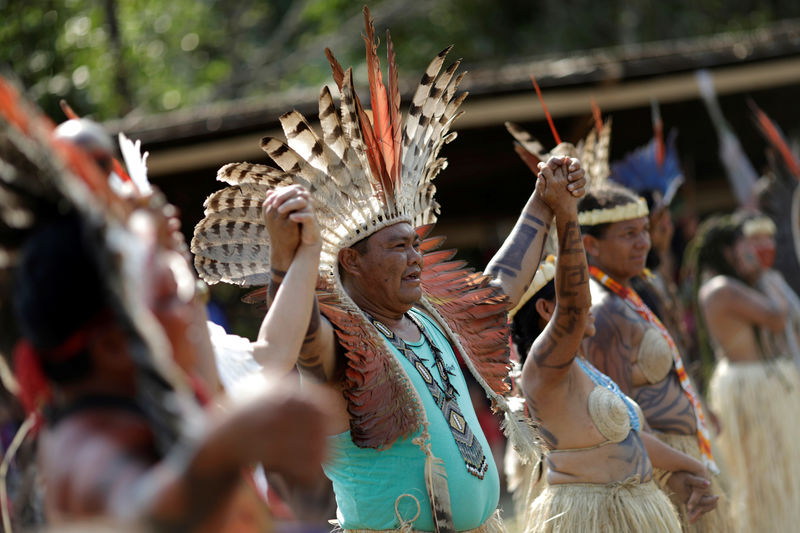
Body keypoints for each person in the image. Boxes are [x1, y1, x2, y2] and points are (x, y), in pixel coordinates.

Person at [191, 8, 586, 531]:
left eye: (415, 244)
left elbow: (495, 288)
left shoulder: (429, 318)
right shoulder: (337, 344)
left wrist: (543, 202)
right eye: (397, 247)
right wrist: (289, 257)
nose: (416, 256)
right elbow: (301, 335)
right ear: (351, 259)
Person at [10, 204, 329, 532]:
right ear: (113, 346)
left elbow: (269, 355)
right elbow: (137, 512)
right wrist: (223, 446)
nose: (194, 308)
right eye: (171, 297)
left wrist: (304, 252)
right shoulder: (85, 450)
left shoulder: (157, 397)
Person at [510, 161, 714, 532]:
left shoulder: (586, 370)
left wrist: (689, 469)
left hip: (634, 511)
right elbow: (573, 307)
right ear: (545, 309)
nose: (590, 300)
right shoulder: (543, 366)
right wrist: (566, 213)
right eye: (579, 292)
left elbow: (631, 439)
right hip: (591, 517)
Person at [577, 183, 732, 532]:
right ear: (591, 245)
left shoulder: (629, 295)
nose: (643, 242)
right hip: (661, 472)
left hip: (678, 459)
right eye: (628, 234)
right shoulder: (603, 313)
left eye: (644, 231)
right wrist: (673, 473)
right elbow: (618, 420)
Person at [694, 214, 800, 533]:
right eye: (744, 245)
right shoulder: (721, 288)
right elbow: (777, 316)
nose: (750, 251)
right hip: (750, 389)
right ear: (728, 251)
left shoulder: (731, 286)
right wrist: (764, 275)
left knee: (779, 469)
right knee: (762, 474)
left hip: (758, 384)